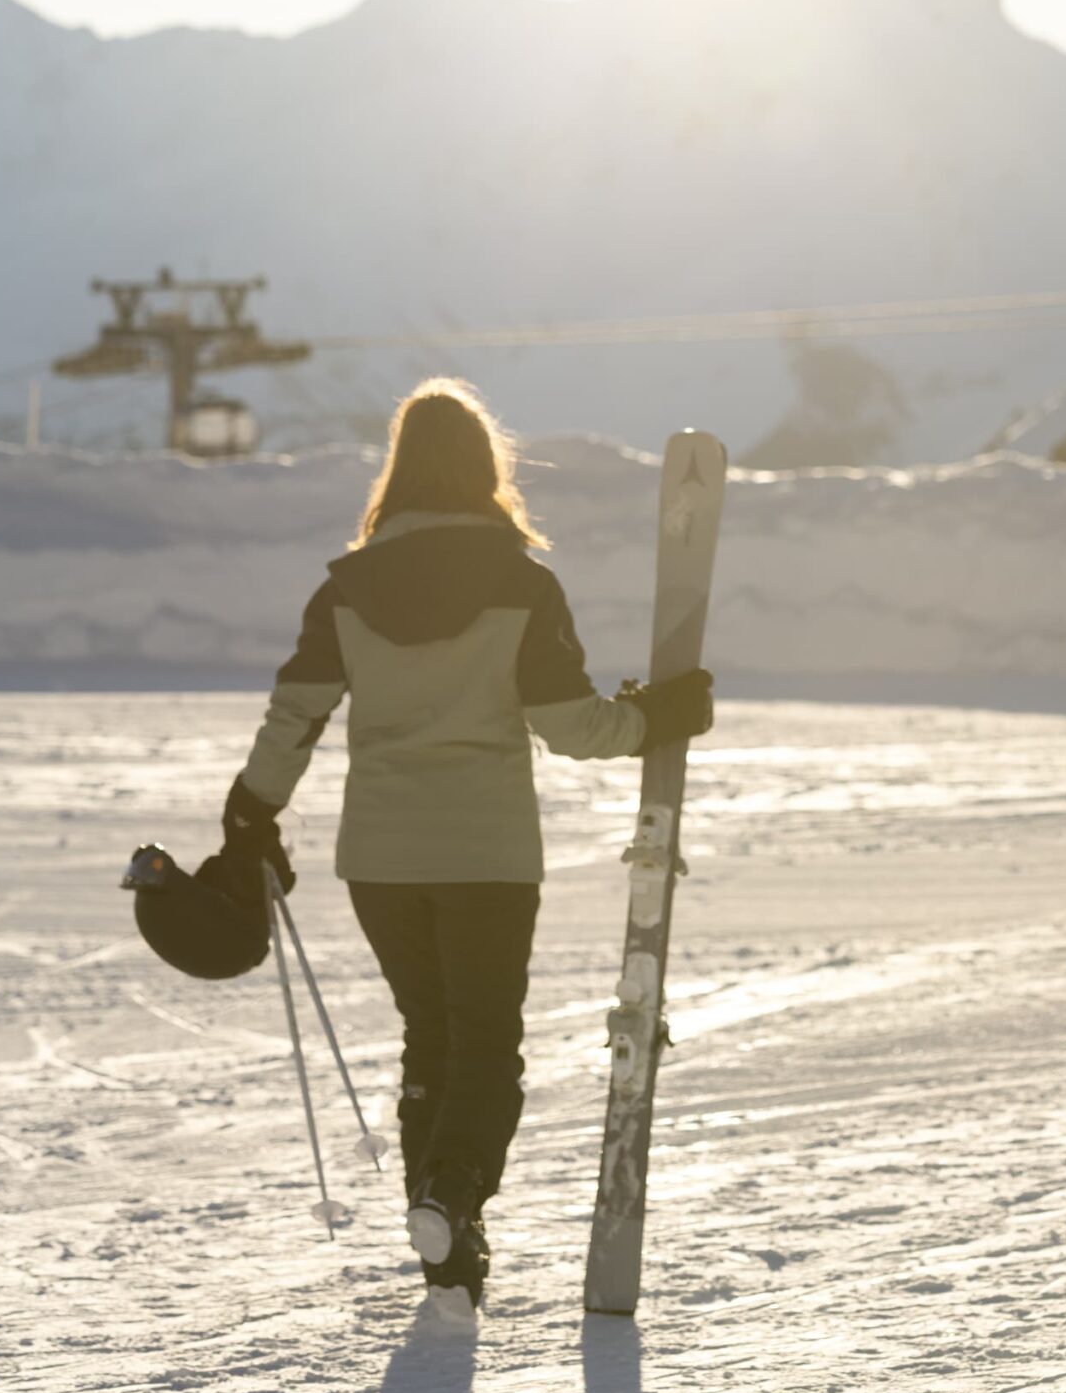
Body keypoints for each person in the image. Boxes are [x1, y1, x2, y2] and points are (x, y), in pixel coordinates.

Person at [211, 379, 714, 1312]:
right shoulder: (521, 584)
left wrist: (251, 812)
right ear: (489, 470)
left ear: (397, 471)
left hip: (381, 860)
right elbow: (570, 726)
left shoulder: (345, 588)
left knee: (429, 1042)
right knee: (485, 1048)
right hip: (485, 856)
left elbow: (296, 715)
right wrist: (659, 717)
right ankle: (450, 1192)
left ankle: (447, 1251)